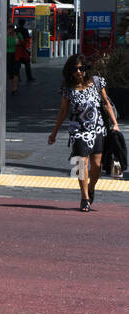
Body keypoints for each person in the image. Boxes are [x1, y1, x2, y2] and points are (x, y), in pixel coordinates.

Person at [48, 54, 117, 211]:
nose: (78, 72)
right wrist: (54, 133)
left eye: (81, 68)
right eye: (75, 69)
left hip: (97, 128)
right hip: (78, 130)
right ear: (70, 71)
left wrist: (115, 124)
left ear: (86, 68)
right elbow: (63, 110)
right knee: (81, 163)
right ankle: (84, 197)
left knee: (97, 165)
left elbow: (106, 103)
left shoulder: (97, 82)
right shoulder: (67, 88)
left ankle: (91, 187)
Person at [6, 23, 20, 95]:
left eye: (11, 28)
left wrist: (15, 36)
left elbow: (18, 43)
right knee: (10, 72)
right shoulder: (6, 36)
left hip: (16, 55)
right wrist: (7, 35)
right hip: (8, 55)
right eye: (9, 28)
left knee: (16, 72)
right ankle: (12, 88)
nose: (10, 30)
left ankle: (15, 88)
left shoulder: (17, 35)